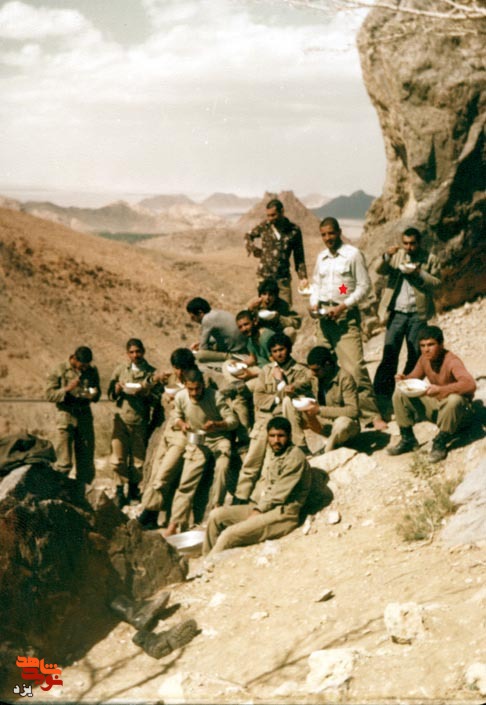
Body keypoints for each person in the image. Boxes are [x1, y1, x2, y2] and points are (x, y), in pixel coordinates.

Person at [309, 216, 386, 430]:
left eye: (331, 233)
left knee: (355, 368)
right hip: (323, 318)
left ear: (339, 232)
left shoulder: (352, 255)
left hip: (344, 318)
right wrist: (313, 304)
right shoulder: (322, 257)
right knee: (322, 367)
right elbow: (316, 285)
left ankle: (371, 415)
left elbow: (364, 286)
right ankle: (331, 412)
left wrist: (343, 306)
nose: (328, 238)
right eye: (324, 234)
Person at [203, 417, 311, 554]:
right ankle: (206, 559)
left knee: (228, 535)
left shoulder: (295, 457)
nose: (276, 440)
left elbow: (277, 495)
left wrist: (257, 511)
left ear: (289, 436)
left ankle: (211, 564)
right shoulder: (274, 451)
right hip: (264, 506)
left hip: (283, 514)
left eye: (281, 436)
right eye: (272, 436)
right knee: (215, 516)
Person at [138, 349, 219, 530]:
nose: (179, 372)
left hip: (185, 433)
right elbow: (148, 389)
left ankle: (149, 513)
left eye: (183, 368)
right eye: (176, 368)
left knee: (165, 473)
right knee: (156, 470)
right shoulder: (171, 379)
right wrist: (158, 384)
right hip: (170, 429)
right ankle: (151, 513)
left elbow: (210, 402)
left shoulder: (203, 380)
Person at [164, 368, 239, 536]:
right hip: (197, 440)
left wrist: (217, 425)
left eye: (197, 388)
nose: (194, 393)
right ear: (185, 385)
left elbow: (233, 421)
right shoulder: (181, 397)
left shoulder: (215, 397)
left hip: (219, 438)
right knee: (187, 481)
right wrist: (182, 425)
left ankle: (216, 511)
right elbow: (176, 417)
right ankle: (174, 523)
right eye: (190, 389)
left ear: (203, 385)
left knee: (222, 468)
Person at [388, 326, 476, 463]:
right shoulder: (424, 359)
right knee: (401, 392)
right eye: (422, 346)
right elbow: (414, 378)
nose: (426, 349)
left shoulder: (452, 361)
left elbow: (470, 384)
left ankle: (440, 442)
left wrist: (441, 390)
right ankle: (408, 438)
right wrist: (404, 379)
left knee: (454, 400)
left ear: (441, 345)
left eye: (431, 345)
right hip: (440, 411)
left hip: (460, 416)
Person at [373, 227, 441, 402]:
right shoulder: (397, 256)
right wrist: (386, 256)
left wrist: (419, 273)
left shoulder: (429, 259)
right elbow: (379, 270)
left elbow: (436, 283)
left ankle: (407, 394)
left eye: (412, 244)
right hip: (397, 313)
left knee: (415, 355)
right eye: (405, 243)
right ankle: (382, 396)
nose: (409, 247)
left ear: (419, 243)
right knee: (390, 354)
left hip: (418, 314)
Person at [239, 332, 312, 480]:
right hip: (266, 419)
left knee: (270, 466)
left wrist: (279, 381)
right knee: (251, 462)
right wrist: (278, 397)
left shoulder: (302, 372)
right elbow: (258, 398)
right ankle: (242, 491)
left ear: (289, 349)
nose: (279, 354)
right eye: (275, 351)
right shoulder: (266, 371)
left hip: (288, 421)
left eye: (281, 349)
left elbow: (291, 396)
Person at [107, 339, 161, 507]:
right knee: (118, 459)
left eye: (138, 351)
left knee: (138, 461)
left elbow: (157, 397)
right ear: (127, 353)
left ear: (143, 352)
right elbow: (110, 394)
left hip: (140, 421)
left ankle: (133, 489)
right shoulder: (120, 370)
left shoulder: (151, 373)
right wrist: (116, 389)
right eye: (131, 352)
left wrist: (144, 392)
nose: (135, 355)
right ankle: (119, 490)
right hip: (121, 420)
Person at [46, 346, 100, 484]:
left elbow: (97, 392)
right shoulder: (60, 370)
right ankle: (60, 490)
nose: (85, 368)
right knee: (63, 462)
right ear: (74, 359)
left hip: (84, 417)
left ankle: (83, 492)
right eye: (82, 365)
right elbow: (49, 394)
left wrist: (93, 394)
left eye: (87, 365)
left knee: (86, 462)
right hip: (66, 416)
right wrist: (67, 389)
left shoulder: (91, 371)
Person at [291, 346, 360, 453]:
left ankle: (327, 450)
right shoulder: (314, 375)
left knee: (343, 423)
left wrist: (319, 410)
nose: (313, 373)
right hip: (323, 423)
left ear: (327, 365)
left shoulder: (345, 378)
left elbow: (353, 411)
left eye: (316, 370)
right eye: (311, 369)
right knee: (289, 402)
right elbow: (298, 386)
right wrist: (290, 387)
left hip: (342, 428)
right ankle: (301, 448)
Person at [245, 198, 308, 305]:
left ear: (282, 212)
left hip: (283, 280)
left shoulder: (294, 230)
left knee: (286, 310)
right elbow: (248, 235)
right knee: (264, 311)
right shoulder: (264, 227)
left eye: (273, 215)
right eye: (268, 215)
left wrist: (303, 277)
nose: (270, 219)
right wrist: (252, 248)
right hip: (264, 280)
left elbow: (299, 256)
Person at [186, 297, 247, 363]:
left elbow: (203, 348)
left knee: (200, 355)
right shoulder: (215, 313)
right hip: (242, 345)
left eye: (193, 317)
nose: (192, 320)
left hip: (237, 351)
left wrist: (198, 348)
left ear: (200, 313)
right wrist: (199, 343)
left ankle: (230, 357)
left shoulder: (207, 319)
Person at [246, 277, 302, 342]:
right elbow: (241, 320)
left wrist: (279, 319)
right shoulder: (254, 304)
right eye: (264, 294)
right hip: (259, 336)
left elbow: (297, 322)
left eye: (271, 295)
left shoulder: (283, 305)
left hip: (277, 337)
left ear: (276, 296)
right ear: (260, 295)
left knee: (290, 331)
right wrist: (250, 309)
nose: (267, 298)